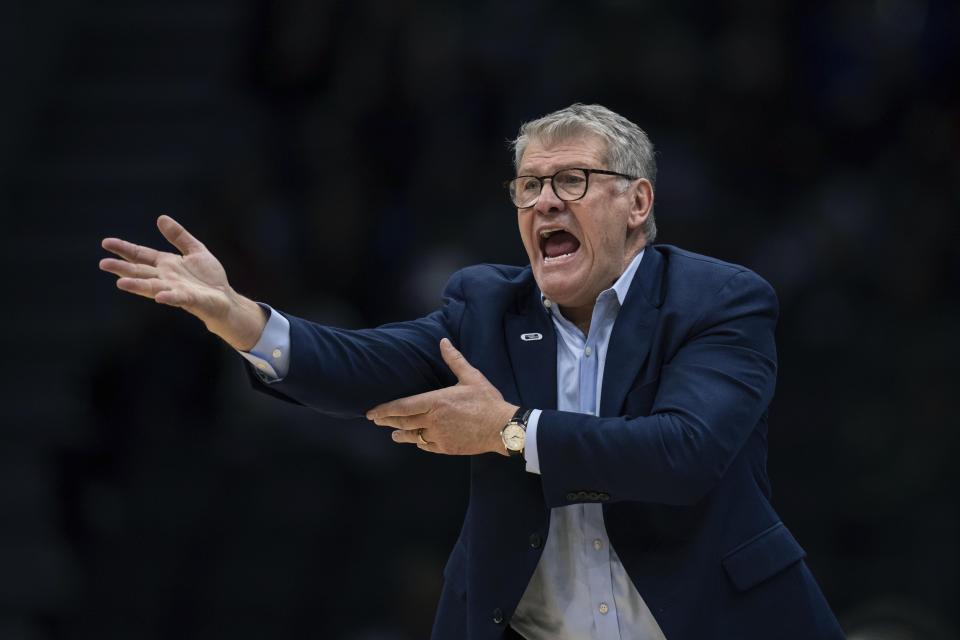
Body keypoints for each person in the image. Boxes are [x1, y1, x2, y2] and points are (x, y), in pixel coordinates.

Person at [99, 104, 845, 639]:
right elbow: (361, 367)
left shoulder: (719, 301)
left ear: (637, 202)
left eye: (573, 180)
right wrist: (240, 318)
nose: (544, 200)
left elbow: (684, 454)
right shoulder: (486, 305)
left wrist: (512, 433)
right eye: (528, 185)